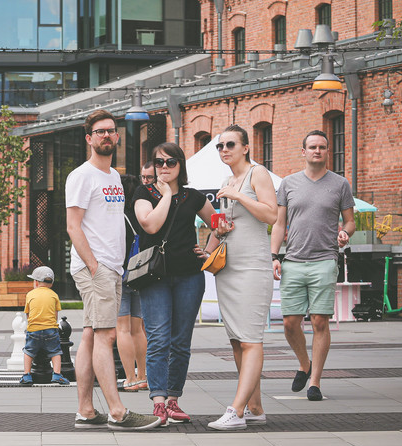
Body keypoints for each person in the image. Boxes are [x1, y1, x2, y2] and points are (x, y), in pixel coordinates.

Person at [65, 110, 161, 431]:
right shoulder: (82, 176)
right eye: (99, 131)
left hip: (112, 268)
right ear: (89, 138)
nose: (106, 136)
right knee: (106, 336)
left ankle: (86, 410)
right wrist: (94, 266)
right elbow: (73, 226)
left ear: (117, 137)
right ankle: (118, 412)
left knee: (92, 337)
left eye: (111, 131)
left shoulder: (114, 178)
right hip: (98, 268)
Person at [134, 142, 217, 426]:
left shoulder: (194, 197)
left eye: (171, 162)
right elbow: (150, 225)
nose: (165, 167)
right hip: (154, 276)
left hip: (189, 276)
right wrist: (167, 194)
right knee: (158, 338)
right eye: (159, 163)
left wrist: (209, 248)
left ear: (181, 165)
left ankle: (173, 399)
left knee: (181, 341)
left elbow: (219, 223)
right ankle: (158, 401)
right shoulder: (143, 193)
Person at [272, 130, 355, 402]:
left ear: (327, 151)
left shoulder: (340, 184)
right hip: (294, 260)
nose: (317, 151)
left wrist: (346, 232)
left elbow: (351, 221)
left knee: (320, 321)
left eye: (321, 147)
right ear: (303, 151)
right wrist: (275, 255)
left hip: (325, 259)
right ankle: (303, 363)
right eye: (312, 147)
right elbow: (279, 223)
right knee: (289, 323)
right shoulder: (288, 183)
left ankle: (315, 382)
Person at [205, 125, 277, 430]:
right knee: (237, 341)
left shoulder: (257, 174)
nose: (224, 150)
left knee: (250, 340)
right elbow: (234, 222)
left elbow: (271, 215)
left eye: (230, 144)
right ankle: (255, 407)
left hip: (252, 267)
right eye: (220, 146)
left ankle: (235, 411)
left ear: (246, 147)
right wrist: (221, 229)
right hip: (230, 267)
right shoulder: (227, 180)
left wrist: (238, 196)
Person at [116, 170, 148, 392]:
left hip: (122, 275)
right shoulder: (142, 214)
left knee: (123, 329)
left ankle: (130, 378)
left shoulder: (118, 217)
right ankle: (143, 376)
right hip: (142, 275)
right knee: (138, 330)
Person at [18, 265, 70, 386]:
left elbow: (28, 313)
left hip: (34, 329)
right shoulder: (54, 295)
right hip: (50, 330)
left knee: (28, 351)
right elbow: (55, 315)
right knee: (56, 352)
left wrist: (31, 324)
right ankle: (57, 374)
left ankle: (27, 375)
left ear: (36, 282)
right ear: (51, 283)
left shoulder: (30, 294)